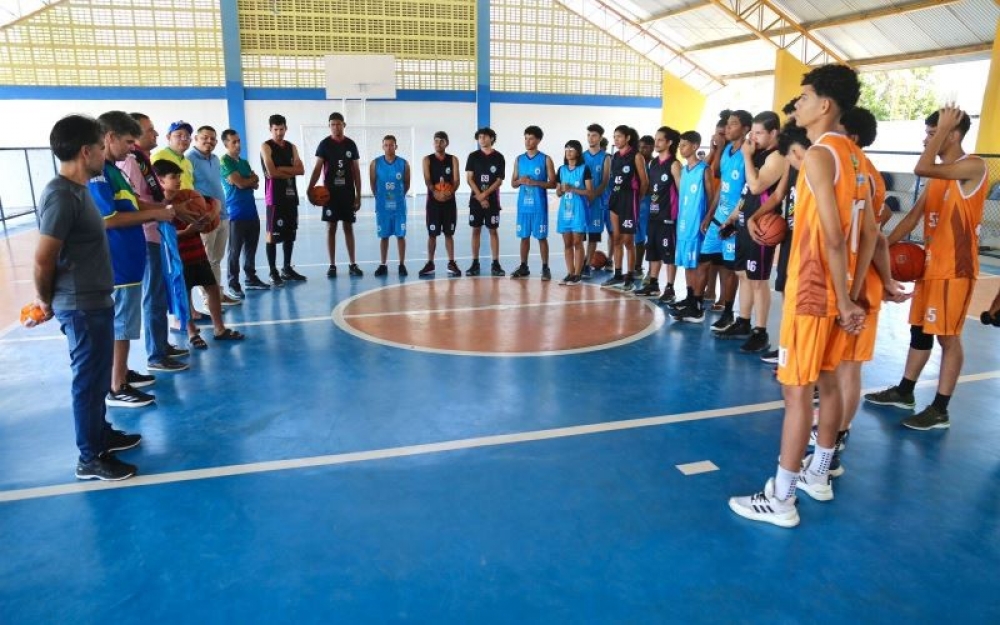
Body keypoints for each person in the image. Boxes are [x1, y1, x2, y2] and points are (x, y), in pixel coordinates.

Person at [729, 64, 878, 528]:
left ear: (825, 105)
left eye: (804, 97)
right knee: (829, 382)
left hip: (813, 288)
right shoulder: (856, 157)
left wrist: (843, 298)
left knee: (797, 395)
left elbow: (834, 236)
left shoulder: (819, 155)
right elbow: (871, 232)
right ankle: (818, 474)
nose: (797, 105)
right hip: (837, 289)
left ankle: (781, 498)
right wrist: (852, 294)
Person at [864, 105, 987, 431]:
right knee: (919, 332)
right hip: (930, 267)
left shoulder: (972, 166)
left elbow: (922, 166)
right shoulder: (938, 177)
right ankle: (905, 392)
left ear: (954, 135)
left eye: (933, 133)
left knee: (948, 339)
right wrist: (881, 248)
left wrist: (943, 131)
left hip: (955, 270)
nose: (925, 139)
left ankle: (940, 409)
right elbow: (912, 217)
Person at [33, 114, 143, 480]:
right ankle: (89, 456)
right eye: (99, 147)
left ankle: (101, 434)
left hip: (96, 299)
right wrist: (45, 301)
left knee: (97, 378)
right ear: (86, 151)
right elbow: (44, 256)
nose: (103, 153)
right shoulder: (62, 195)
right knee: (88, 379)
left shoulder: (79, 192)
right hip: (79, 304)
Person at [90, 111, 178, 409]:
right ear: (109, 137)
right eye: (128, 141)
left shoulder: (115, 170)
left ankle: (122, 372)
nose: (132, 148)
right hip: (117, 261)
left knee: (125, 323)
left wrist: (159, 207)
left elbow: (133, 201)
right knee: (121, 324)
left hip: (129, 257)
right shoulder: (99, 172)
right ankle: (116, 386)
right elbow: (109, 217)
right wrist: (155, 213)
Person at [117, 112, 189, 373]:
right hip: (147, 235)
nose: (156, 134)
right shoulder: (129, 163)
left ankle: (161, 344)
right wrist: (161, 210)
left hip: (157, 231)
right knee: (153, 295)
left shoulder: (142, 160)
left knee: (160, 293)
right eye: (150, 130)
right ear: (133, 134)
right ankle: (156, 355)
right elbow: (134, 202)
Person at [154, 159, 247, 348]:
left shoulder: (188, 196)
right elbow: (164, 236)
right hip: (179, 258)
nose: (178, 180)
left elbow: (216, 202)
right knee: (185, 295)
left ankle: (219, 328)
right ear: (160, 181)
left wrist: (211, 216)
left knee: (212, 288)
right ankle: (191, 333)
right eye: (173, 177)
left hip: (198, 254)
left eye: (179, 176)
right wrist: (187, 231)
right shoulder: (158, 206)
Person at [716, 111, 785, 352]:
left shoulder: (776, 157)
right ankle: (743, 322)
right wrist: (732, 217)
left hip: (762, 227)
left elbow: (757, 186)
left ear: (773, 133)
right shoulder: (757, 154)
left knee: (758, 280)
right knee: (743, 275)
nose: (752, 137)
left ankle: (761, 331)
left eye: (758, 133)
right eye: (752, 132)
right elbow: (746, 192)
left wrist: (746, 156)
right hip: (745, 221)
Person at [700, 110, 751, 331]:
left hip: (734, 222)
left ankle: (729, 312)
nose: (728, 128)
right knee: (704, 260)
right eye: (727, 124)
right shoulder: (728, 150)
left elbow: (749, 191)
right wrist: (710, 214)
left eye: (733, 124)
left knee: (730, 269)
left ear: (746, 129)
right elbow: (722, 186)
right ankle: (695, 302)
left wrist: (734, 220)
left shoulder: (749, 154)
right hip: (718, 216)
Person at [188, 125, 240, 307]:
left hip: (223, 215)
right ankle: (209, 300)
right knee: (207, 260)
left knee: (216, 260)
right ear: (196, 138)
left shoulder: (216, 159)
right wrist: (202, 214)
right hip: (206, 218)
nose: (209, 141)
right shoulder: (189, 159)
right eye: (205, 137)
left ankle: (218, 294)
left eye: (212, 138)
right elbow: (188, 191)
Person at [309, 112, 363, 278]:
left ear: (344, 125)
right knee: (331, 227)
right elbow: (318, 168)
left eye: (339, 124)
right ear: (329, 126)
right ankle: (332, 265)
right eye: (333, 124)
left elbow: (356, 171)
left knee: (348, 227)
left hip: (347, 192)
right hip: (329, 194)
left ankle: (352, 264)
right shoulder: (324, 145)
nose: (336, 127)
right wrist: (310, 187)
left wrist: (358, 194)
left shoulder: (351, 145)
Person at [668, 130, 713, 321]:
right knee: (687, 263)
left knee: (696, 265)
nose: (681, 148)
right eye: (680, 145)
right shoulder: (684, 170)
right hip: (684, 224)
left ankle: (697, 305)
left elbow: (711, 198)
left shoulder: (704, 169)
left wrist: (707, 219)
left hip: (698, 225)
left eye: (684, 144)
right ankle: (689, 298)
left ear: (695, 147)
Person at [634, 126, 681, 299]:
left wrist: (679, 216)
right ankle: (653, 284)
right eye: (656, 139)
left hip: (668, 217)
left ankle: (670, 287)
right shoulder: (653, 163)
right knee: (652, 251)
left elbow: (682, 192)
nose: (656, 142)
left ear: (669, 142)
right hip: (653, 215)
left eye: (660, 139)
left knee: (668, 253)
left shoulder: (675, 165)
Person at [220, 129, 269, 297]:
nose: (238, 144)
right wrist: (248, 180)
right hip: (235, 213)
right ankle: (233, 283)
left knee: (251, 248)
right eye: (234, 142)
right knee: (234, 251)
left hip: (251, 211)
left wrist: (247, 181)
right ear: (226, 144)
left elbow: (255, 183)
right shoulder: (225, 162)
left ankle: (251, 278)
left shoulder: (244, 162)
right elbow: (241, 184)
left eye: (238, 141)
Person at [260, 114, 306, 286]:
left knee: (290, 234)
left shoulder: (292, 147)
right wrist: (290, 169)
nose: (279, 133)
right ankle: (273, 271)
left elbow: (301, 170)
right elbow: (271, 173)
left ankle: (286, 268)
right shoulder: (266, 146)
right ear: (270, 129)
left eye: (281, 129)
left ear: (286, 128)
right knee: (272, 236)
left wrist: (282, 169)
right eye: (275, 129)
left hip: (291, 196)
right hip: (275, 198)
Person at [601, 126, 649, 291]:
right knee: (616, 238)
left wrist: (636, 199)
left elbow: (644, 182)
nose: (616, 139)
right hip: (615, 200)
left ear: (627, 138)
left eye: (619, 136)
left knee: (629, 241)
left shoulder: (636, 156)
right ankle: (618, 274)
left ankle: (630, 276)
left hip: (630, 201)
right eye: (614, 137)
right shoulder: (615, 156)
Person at [510, 125, 556, 280]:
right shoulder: (519, 159)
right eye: (526, 138)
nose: (527, 141)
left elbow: (553, 183)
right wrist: (520, 181)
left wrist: (534, 182)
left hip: (539, 205)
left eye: (531, 138)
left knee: (541, 237)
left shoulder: (546, 159)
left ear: (538, 140)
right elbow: (513, 183)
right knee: (524, 236)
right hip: (523, 205)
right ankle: (524, 266)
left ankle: (545, 267)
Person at [418, 131, 462, 278]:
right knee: (432, 234)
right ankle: (430, 263)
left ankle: (451, 262)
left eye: (441, 141)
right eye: (436, 141)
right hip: (433, 202)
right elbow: (427, 180)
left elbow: (456, 181)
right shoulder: (427, 160)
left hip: (449, 202)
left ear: (446, 143)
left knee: (449, 234)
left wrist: (450, 192)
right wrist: (435, 192)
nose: (438, 143)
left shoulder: (453, 159)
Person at [464, 127, 506, 276]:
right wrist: (480, 196)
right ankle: (475, 263)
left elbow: (499, 180)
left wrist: (486, 195)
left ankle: (495, 263)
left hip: (493, 200)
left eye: (485, 137)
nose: (482, 139)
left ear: (492, 138)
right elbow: (469, 178)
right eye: (479, 137)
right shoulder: (473, 156)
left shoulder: (499, 157)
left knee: (493, 231)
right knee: (476, 230)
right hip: (476, 200)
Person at [370, 134, 410, 276]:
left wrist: (397, 197)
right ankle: (383, 264)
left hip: (399, 206)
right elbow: (373, 183)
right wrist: (381, 199)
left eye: (391, 145)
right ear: (382, 147)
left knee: (400, 235)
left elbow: (407, 184)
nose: (389, 147)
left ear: (396, 146)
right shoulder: (375, 163)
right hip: (383, 207)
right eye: (386, 145)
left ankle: (401, 264)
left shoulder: (404, 164)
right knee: (384, 236)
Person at [555, 139, 593, 285]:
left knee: (578, 242)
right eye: (566, 149)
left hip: (579, 210)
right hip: (565, 210)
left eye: (571, 149)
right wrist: (560, 190)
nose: (568, 152)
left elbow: (589, 192)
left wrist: (573, 189)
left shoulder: (584, 169)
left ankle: (578, 274)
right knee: (567, 243)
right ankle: (570, 273)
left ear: (578, 152)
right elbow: (558, 193)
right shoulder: (562, 169)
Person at [582, 124, 611, 279]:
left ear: (600, 137)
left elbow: (605, 181)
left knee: (593, 236)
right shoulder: (582, 156)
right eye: (588, 135)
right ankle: (580, 262)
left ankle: (586, 266)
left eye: (593, 135)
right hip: (582, 202)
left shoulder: (606, 157)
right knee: (579, 235)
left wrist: (593, 195)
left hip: (597, 202)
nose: (590, 138)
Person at [634, 135, 655, 280]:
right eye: (640, 147)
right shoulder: (636, 161)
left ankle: (651, 271)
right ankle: (637, 267)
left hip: (651, 204)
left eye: (645, 147)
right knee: (638, 238)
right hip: (637, 204)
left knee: (651, 239)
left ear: (652, 148)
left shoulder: (655, 164)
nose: (642, 149)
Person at [152, 120, 194, 190]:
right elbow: (155, 185)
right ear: (168, 137)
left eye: (187, 136)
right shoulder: (159, 157)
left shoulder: (188, 162)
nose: (184, 139)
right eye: (179, 135)